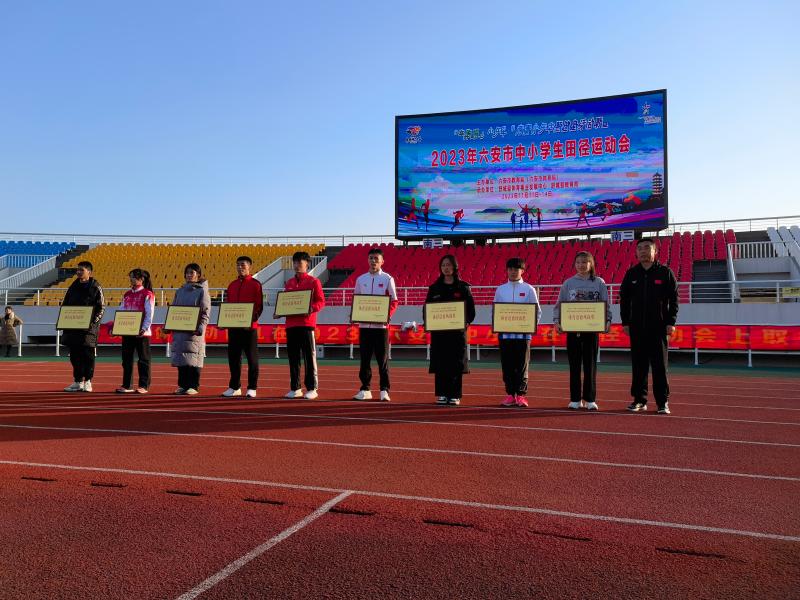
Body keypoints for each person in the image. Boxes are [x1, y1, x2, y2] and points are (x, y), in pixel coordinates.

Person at [620, 238, 679, 415]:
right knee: (639, 366)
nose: (643, 251)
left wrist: (671, 321)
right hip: (637, 327)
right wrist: (625, 322)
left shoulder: (665, 272)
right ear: (636, 253)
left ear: (655, 252)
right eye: (640, 248)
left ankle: (662, 402)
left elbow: (674, 299)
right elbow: (624, 300)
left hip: (658, 327)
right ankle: (639, 400)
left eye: (647, 248)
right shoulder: (631, 274)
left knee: (660, 366)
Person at [554, 251, 611, 411]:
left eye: (584, 262)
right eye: (578, 262)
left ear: (591, 264)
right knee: (574, 366)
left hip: (591, 331)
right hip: (573, 331)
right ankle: (575, 399)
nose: (581, 265)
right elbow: (560, 304)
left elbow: (606, 303)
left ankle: (590, 399)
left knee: (590, 366)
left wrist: (607, 320)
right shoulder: (568, 283)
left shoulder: (599, 282)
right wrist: (557, 321)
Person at [425, 254, 475, 406]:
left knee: (456, 363)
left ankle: (455, 395)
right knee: (440, 362)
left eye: (448, 265)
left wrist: (465, 323)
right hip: (439, 334)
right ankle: (441, 393)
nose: (446, 268)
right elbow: (426, 309)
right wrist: (429, 322)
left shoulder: (463, 288)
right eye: (443, 265)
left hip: (457, 334)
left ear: (454, 267)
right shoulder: (434, 288)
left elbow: (471, 311)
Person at [352, 248, 399, 402]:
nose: (373, 261)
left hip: (381, 328)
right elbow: (357, 300)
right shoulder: (361, 279)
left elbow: (394, 301)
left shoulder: (388, 279)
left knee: (382, 360)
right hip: (364, 327)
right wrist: (354, 314)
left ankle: (384, 390)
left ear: (382, 261)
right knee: (364, 360)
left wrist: (387, 316)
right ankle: (365, 389)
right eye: (371, 258)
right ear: (367, 260)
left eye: (376, 259)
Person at [493, 258, 541, 408]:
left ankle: (520, 395)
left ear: (523, 271)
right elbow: (495, 311)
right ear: (507, 271)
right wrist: (497, 324)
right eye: (510, 269)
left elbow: (537, 311)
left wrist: (530, 326)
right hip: (505, 335)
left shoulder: (529, 289)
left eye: (516, 269)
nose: (513, 272)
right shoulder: (501, 289)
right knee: (507, 365)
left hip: (523, 335)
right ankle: (510, 394)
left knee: (522, 365)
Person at [284, 251, 326, 399]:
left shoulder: (314, 282)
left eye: (300, 263)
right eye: (295, 262)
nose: (296, 265)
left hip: (307, 324)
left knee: (309, 357)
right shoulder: (289, 283)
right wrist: (280, 312)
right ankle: (295, 388)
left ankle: (312, 388)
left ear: (307, 264)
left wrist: (310, 309)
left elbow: (321, 302)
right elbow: (285, 302)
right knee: (293, 358)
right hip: (291, 325)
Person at [222, 256, 264, 398]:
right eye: (238, 265)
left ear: (249, 266)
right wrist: (225, 322)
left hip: (249, 328)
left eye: (243, 265)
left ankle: (252, 387)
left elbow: (259, 306)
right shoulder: (232, 285)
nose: (240, 267)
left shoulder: (255, 284)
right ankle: (235, 387)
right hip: (234, 328)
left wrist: (249, 320)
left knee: (252, 358)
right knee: (233, 358)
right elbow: (228, 307)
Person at [62, 261, 105, 392]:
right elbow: (65, 305)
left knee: (88, 355)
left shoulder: (95, 286)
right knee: (74, 355)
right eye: (78, 270)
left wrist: (93, 323)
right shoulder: (73, 286)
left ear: (89, 272)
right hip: (73, 327)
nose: (79, 272)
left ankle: (88, 381)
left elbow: (101, 307)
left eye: (82, 270)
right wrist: (64, 320)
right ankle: (78, 381)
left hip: (88, 329)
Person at [170, 263, 210, 395]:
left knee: (194, 358)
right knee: (181, 357)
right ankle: (182, 385)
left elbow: (205, 313)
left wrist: (200, 328)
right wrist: (169, 325)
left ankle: (193, 386)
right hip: (180, 330)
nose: (189, 275)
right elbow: (174, 310)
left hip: (194, 332)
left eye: (192, 273)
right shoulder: (179, 291)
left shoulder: (202, 291)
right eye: (187, 273)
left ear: (198, 275)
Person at [116, 268, 155, 394]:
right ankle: (127, 385)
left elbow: (149, 313)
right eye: (130, 277)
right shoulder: (127, 294)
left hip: (142, 333)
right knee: (126, 359)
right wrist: (117, 326)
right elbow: (121, 311)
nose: (131, 279)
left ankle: (144, 385)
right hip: (128, 331)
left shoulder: (148, 294)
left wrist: (144, 328)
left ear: (141, 279)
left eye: (133, 277)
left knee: (143, 359)